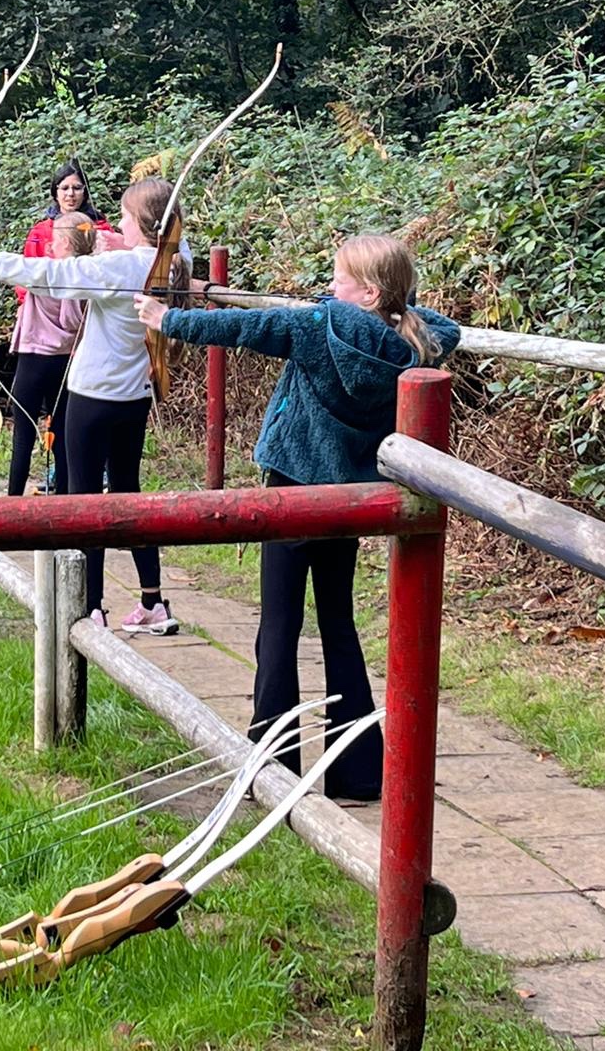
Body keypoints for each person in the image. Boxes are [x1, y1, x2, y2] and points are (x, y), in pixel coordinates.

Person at [134, 234, 459, 799]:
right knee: (338, 622)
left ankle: (271, 764)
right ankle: (358, 772)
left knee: (280, 624)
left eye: (339, 279)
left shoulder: (319, 326)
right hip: (350, 500)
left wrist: (167, 318)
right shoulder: (416, 341)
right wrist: (390, 306)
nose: (329, 287)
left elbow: (245, 328)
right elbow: (440, 324)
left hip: (293, 492)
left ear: (369, 292)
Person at [0, 177, 187, 635]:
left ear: (144, 224)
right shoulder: (176, 261)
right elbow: (168, 249)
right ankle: (153, 602)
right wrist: (118, 245)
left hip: (92, 398)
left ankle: (92, 606)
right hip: (134, 398)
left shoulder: (120, 267)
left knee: (84, 502)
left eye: (124, 217)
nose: (117, 224)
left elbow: (49, 274)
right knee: (129, 494)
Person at [5, 210, 96, 497]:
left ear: (66, 243)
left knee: (23, 437)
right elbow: (75, 321)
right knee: (63, 435)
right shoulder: (91, 274)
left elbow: (3, 269)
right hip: (66, 362)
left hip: (33, 362)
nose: (49, 244)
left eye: (54, 239)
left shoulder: (44, 272)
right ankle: (64, 501)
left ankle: (12, 503)